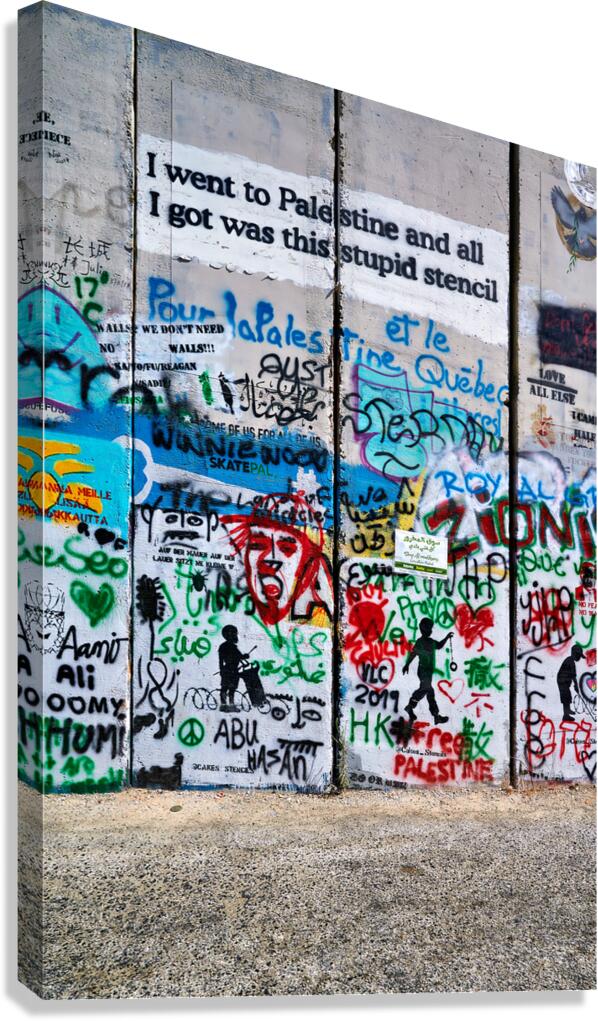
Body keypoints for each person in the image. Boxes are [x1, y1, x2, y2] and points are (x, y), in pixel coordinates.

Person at [402, 618, 453, 724]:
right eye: (430, 629)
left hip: (426, 671)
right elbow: (415, 653)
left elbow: (414, 653)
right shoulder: (425, 642)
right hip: (424, 671)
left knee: (429, 692)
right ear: (427, 630)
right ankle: (410, 706)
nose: (431, 631)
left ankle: (435, 716)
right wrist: (407, 664)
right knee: (425, 689)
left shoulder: (424, 642)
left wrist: (407, 664)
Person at [218, 625, 249, 712]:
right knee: (227, 688)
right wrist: (221, 670)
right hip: (229, 670)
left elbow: (239, 657)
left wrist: (244, 657)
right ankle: (225, 705)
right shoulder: (226, 647)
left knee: (230, 688)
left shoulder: (230, 646)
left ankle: (227, 705)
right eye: (235, 633)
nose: (236, 635)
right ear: (229, 635)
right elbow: (221, 660)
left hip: (232, 670)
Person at [557, 643, 585, 722]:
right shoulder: (570, 662)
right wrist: (576, 686)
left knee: (568, 696)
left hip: (564, 681)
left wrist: (575, 686)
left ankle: (568, 710)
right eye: (579, 656)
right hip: (562, 681)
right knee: (565, 697)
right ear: (575, 654)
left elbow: (573, 675)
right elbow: (573, 676)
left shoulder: (570, 660)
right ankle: (566, 716)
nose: (579, 658)